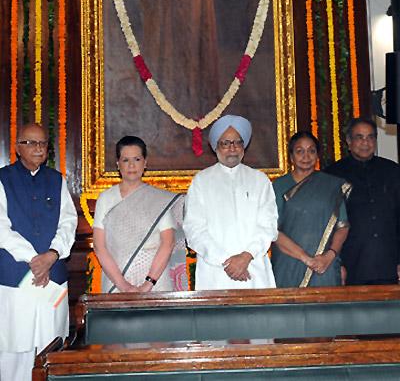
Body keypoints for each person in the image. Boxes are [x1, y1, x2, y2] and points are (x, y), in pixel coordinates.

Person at [0, 123, 77, 381]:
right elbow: (1, 228)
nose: (38, 148)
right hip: (15, 279)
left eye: (43, 143)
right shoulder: (2, 179)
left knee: (52, 350)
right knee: (14, 351)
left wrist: (52, 255)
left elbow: (68, 222)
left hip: (52, 279)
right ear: (17, 147)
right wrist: (34, 259)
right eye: (31, 143)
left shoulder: (57, 180)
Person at [183, 115, 278, 290]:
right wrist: (227, 262)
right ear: (216, 147)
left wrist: (246, 257)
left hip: (253, 269)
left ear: (244, 146)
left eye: (237, 142)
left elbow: (268, 225)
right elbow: (194, 229)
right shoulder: (202, 181)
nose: (232, 148)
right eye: (225, 143)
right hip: (215, 273)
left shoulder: (259, 180)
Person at [93, 135, 185, 292]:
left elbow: (167, 243)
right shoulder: (106, 198)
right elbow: (99, 246)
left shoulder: (158, 199)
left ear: (145, 163)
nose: (131, 166)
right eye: (125, 160)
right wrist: (123, 286)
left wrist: (148, 283)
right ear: (118, 164)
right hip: (116, 281)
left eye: (136, 159)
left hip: (155, 282)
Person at [325, 117, 400, 285]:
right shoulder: (332, 175)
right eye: (359, 137)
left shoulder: (392, 171)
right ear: (349, 141)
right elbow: (327, 224)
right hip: (352, 265)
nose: (365, 142)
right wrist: (337, 263)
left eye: (370, 137)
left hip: (389, 263)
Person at [271, 131, 351, 288]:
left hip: (325, 265)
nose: (306, 156)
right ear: (291, 157)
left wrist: (329, 256)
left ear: (317, 155)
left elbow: (342, 226)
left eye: (311, 151)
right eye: (300, 151)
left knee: (325, 312)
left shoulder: (332, 186)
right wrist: (307, 259)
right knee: (290, 311)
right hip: (289, 264)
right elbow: (273, 231)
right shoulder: (278, 186)